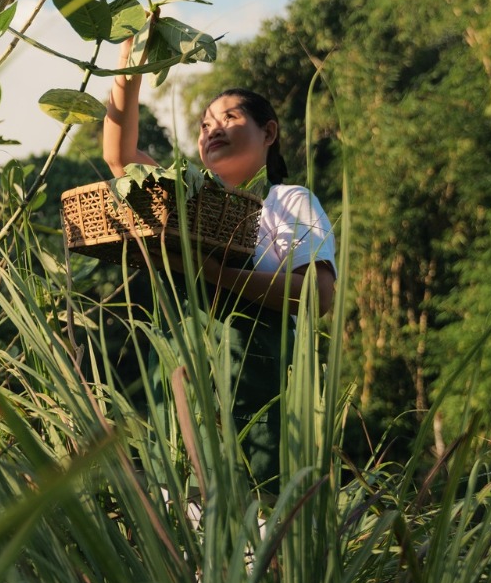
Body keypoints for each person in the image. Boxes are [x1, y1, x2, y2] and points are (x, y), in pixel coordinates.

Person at [102, 35, 335, 487]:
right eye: (205, 124)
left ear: (268, 132)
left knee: (258, 519)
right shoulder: (184, 203)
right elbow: (120, 157)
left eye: (230, 117)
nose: (213, 129)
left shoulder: (287, 202)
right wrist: (128, 59)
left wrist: (215, 274)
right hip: (181, 407)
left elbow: (317, 295)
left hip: (257, 405)